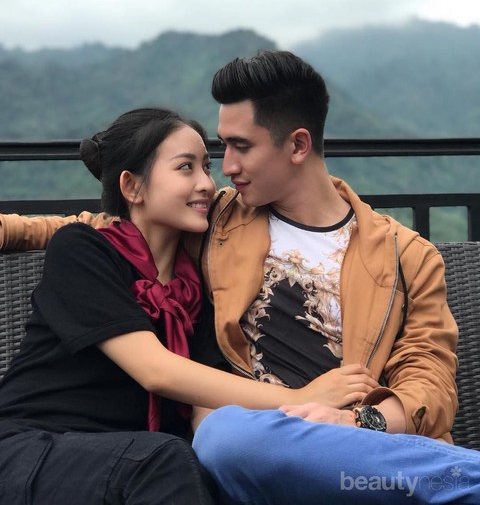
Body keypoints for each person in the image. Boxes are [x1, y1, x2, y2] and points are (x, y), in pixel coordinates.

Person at [1, 55, 480, 503]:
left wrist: (357, 421)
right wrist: (13, 229)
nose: (224, 171)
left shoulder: (407, 256)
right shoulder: (217, 221)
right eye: (219, 149)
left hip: (355, 450)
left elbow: (429, 380)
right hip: (246, 447)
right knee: (222, 436)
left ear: (298, 145)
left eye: (240, 147)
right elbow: (114, 226)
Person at [0, 107, 355, 505]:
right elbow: (156, 371)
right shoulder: (84, 251)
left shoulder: (198, 289)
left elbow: (207, 400)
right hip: (33, 449)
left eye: (207, 166)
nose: (207, 184)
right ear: (132, 187)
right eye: (186, 168)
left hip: (134, 465)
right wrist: (305, 396)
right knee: (165, 460)